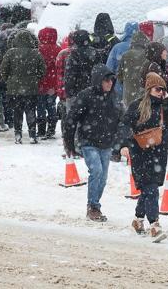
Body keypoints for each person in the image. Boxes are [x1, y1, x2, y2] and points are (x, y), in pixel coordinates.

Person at [123, 73, 168, 238]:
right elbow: (124, 124)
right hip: (140, 153)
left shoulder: (164, 106)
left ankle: (138, 219)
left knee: (150, 189)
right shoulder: (137, 106)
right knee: (150, 189)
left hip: (158, 154)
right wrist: (123, 145)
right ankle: (154, 225)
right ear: (149, 89)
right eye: (157, 89)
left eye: (163, 89)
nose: (160, 92)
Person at [64, 65, 123, 222]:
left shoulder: (114, 97)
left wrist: (121, 142)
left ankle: (95, 204)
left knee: (102, 178)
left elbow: (120, 120)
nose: (110, 83)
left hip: (107, 142)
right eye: (106, 80)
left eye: (111, 80)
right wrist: (69, 143)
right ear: (99, 81)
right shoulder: (86, 96)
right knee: (96, 171)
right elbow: (71, 119)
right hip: (89, 141)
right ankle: (93, 206)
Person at [0, 28, 44, 144]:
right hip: (31, 88)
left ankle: (18, 134)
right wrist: (35, 79)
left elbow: (3, 69)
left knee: (17, 112)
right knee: (31, 111)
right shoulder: (36, 53)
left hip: (14, 88)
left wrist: (8, 80)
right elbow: (42, 70)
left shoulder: (10, 53)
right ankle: (32, 135)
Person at [36, 27, 63, 140]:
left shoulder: (38, 49)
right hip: (53, 83)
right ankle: (51, 129)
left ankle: (41, 130)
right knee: (51, 106)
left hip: (41, 83)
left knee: (41, 107)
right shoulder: (59, 49)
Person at [117, 27, 153, 105]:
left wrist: (127, 81)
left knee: (129, 114)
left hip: (128, 95)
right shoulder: (149, 56)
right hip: (144, 96)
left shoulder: (126, 55)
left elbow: (119, 76)